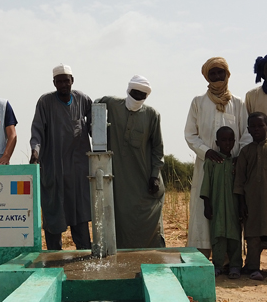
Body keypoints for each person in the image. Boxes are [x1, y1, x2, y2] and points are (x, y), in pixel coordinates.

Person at [184, 57, 251, 256]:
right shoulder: (198, 102)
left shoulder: (238, 103)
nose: (217, 77)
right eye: (212, 73)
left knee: (229, 209)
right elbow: (190, 134)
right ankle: (202, 254)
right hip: (205, 165)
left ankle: (230, 258)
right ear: (206, 76)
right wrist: (207, 151)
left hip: (231, 168)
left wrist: (237, 157)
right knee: (203, 207)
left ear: (227, 74)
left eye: (220, 72)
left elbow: (246, 133)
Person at [96, 75, 165, 248]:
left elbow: (158, 148)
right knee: (119, 218)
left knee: (148, 220)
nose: (137, 98)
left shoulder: (152, 115)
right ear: (128, 90)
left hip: (144, 178)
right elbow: (95, 107)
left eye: (142, 95)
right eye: (135, 93)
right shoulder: (112, 104)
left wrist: (155, 176)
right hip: (119, 180)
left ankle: (150, 256)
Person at [29, 64, 93, 250]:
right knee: (53, 213)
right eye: (60, 81)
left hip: (78, 170)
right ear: (54, 83)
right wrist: (35, 151)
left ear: (72, 81)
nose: (64, 84)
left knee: (79, 213)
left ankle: (84, 253)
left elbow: (94, 122)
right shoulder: (45, 102)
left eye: (67, 81)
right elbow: (37, 130)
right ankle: (53, 257)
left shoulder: (82, 99)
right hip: (54, 168)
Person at [234, 112, 267, 282]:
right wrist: (242, 203)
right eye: (253, 127)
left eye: (261, 126)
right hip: (252, 201)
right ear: (248, 129)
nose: (257, 129)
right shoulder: (245, 152)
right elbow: (240, 181)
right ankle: (253, 268)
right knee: (253, 235)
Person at [200, 126, 241, 278]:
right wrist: (206, 204)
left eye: (230, 140)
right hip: (216, 206)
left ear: (234, 141)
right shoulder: (211, 162)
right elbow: (206, 184)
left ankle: (235, 266)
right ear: (217, 142)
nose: (227, 143)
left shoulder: (236, 163)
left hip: (233, 206)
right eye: (223, 140)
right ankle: (217, 265)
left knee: (235, 235)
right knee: (218, 236)